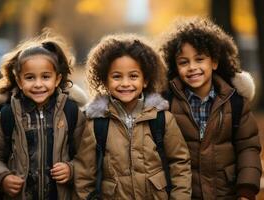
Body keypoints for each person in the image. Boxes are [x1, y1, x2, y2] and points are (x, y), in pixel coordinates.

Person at [73, 34, 191, 200]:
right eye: (116, 76)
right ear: (105, 81)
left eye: (133, 76)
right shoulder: (97, 124)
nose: (125, 83)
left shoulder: (162, 119)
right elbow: (84, 175)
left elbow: (180, 164)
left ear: (145, 80)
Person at [159, 17, 262, 200]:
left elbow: (248, 147)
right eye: (184, 62)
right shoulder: (168, 102)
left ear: (214, 62)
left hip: (226, 193)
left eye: (199, 59)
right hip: (183, 194)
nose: (192, 67)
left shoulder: (235, 101)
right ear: (175, 66)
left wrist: (246, 190)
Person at [0, 30, 87, 200]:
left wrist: (72, 169)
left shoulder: (71, 112)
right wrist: (3, 177)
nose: (38, 84)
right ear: (19, 81)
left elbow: (87, 156)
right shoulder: (7, 115)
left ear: (57, 80)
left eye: (45, 77)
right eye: (30, 77)